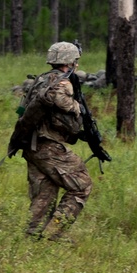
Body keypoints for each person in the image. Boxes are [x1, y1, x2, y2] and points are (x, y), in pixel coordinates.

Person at [18, 41, 93, 243]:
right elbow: (58, 98)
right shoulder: (61, 83)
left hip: (30, 144)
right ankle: (54, 234)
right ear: (70, 61)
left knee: (45, 192)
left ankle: (31, 237)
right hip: (48, 146)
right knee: (82, 185)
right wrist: (77, 107)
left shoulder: (42, 79)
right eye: (75, 60)